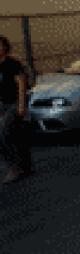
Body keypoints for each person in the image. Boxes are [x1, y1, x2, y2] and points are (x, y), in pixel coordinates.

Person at [0, 35, 32, 184]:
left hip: (13, 103)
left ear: (5, 47)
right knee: (17, 135)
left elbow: (21, 83)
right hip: (2, 104)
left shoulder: (12, 63)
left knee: (4, 132)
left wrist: (21, 105)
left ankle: (14, 168)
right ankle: (24, 165)